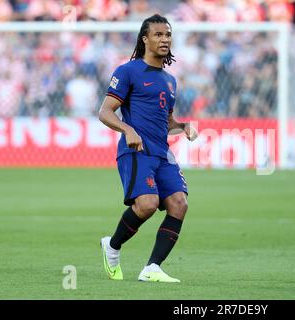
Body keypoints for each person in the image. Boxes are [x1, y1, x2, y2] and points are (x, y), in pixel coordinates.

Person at [98, 14, 197, 283]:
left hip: (162, 153)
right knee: (148, 204)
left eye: (167, 35)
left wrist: (183, 126)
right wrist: (127, 130)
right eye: (158, 35)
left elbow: (165, 122)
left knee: (179, 203)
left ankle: (152, 267)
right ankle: (112, 246)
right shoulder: (128, 71)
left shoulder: (170, 80)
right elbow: (105, 112)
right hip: (136, 151)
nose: (164, 39)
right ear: (145, 39)